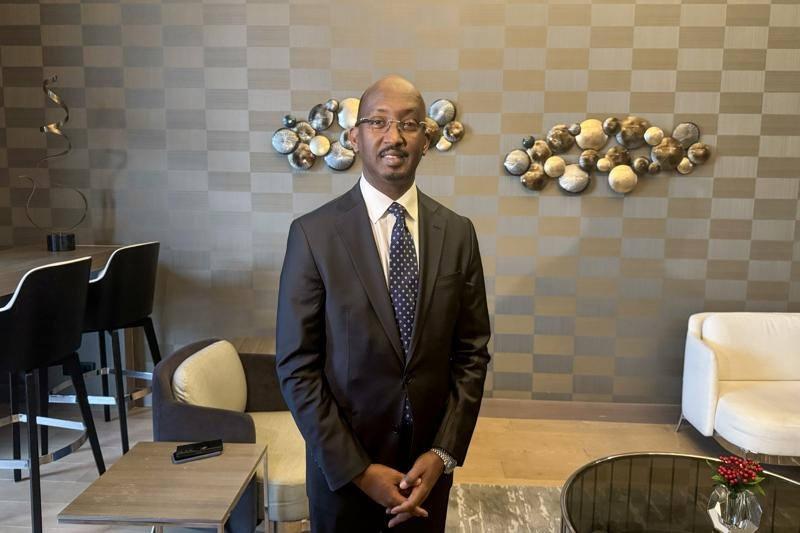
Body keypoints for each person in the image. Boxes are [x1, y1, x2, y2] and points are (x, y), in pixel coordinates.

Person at [276, 75, 491, 532]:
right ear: (355, 137)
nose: (394, 136)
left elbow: (472, 353)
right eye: (378, 122)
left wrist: (443, 452)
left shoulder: (458, 233)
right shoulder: (313, 235)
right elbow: (297, 365)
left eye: (409, 124)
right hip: (343, 475)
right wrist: (358, 470)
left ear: (426, 141)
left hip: (426, 473)